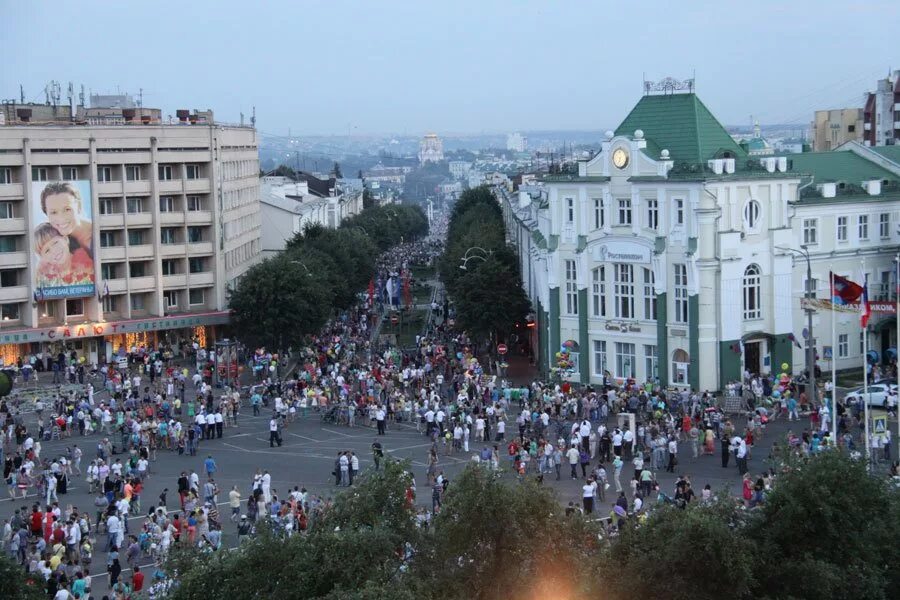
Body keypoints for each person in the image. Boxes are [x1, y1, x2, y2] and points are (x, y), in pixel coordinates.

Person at [38, 181, 94, 258]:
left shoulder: (99, 233)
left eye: (67, 209)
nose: (61, 218)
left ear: (79, 207)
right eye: (54, 212)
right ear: (46, 214)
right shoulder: (58, 245)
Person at [33, 223, 93, 289]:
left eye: (55, 243)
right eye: (47, 251)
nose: (54, 251)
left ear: (65, 239)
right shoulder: (49, 272)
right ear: (43, 259)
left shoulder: (81, 256)